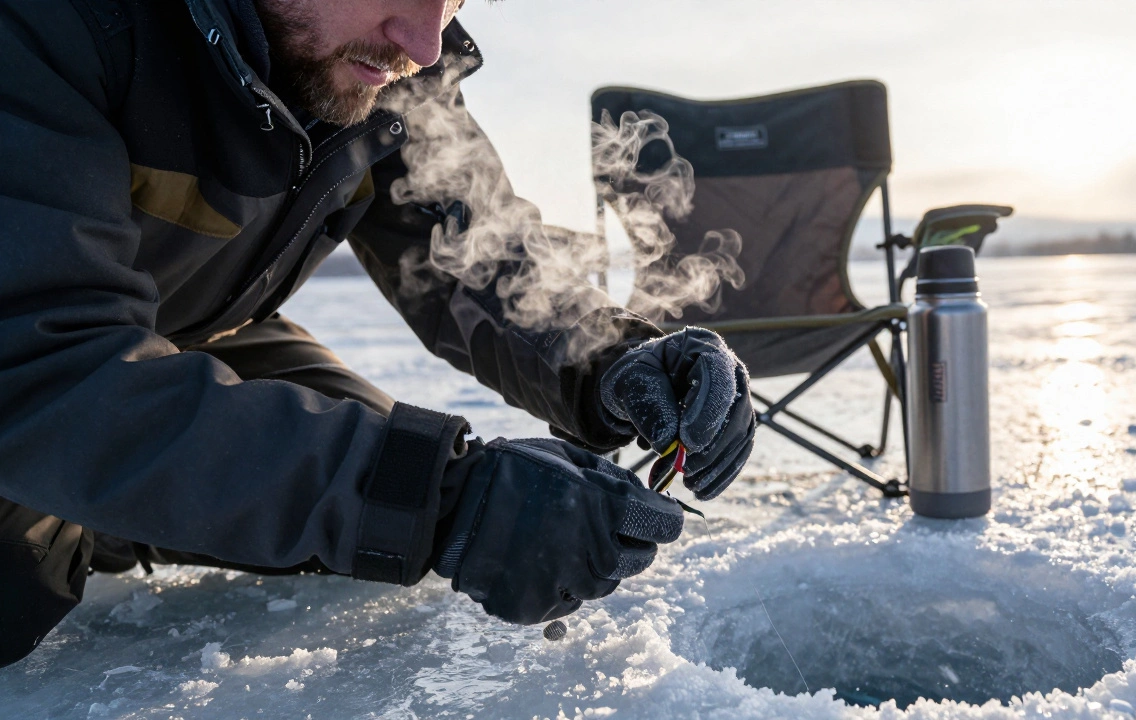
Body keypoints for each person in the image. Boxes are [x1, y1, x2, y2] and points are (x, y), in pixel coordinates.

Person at [0, 0, 756, 668]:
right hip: (41, 365)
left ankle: (137, 495)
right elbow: (42, 369)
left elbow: (476, 253)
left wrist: (613, 360)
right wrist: (447, 497)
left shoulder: (380, 63)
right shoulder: (46, 27)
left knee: (372, 518)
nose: (426, 43)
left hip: (181, 332)